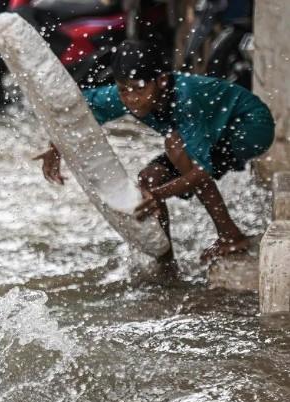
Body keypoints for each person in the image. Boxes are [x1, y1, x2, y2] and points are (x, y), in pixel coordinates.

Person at [35, 40, 275, 264]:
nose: (131, 99)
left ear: (161, 81)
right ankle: (166, 263)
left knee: (175, 148)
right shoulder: (130, 94)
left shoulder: (185, 98)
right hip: (211, 131)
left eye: (138, 90)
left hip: (249, 128)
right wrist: (56, 146)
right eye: (123, 90)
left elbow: (202, 172)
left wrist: (159, 195)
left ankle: (231, 235)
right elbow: (78, 107)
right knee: (149, 180)